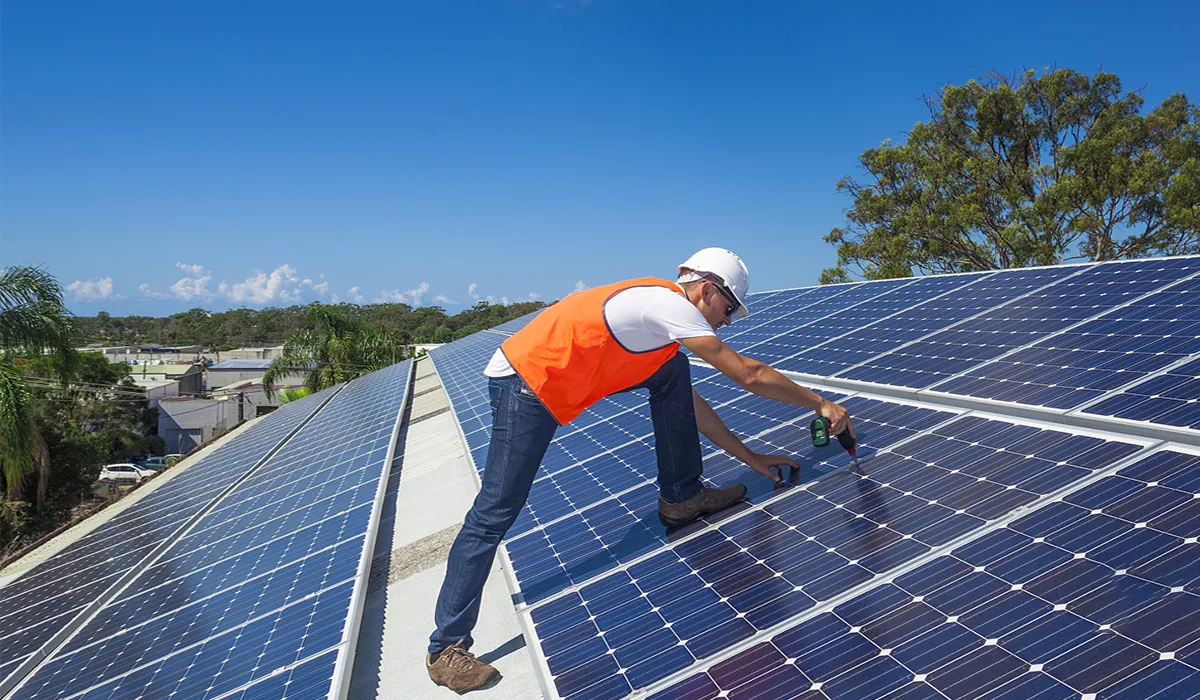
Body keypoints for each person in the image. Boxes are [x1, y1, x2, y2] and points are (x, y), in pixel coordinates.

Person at [425, 248, 854, 692]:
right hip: (527, 384)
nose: (727, 321)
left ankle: (682, 498)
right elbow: (747, 373)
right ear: (707, 290)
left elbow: (690, 405)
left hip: (559, 380)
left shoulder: (661, 335)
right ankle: (445, 648)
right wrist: (821, 403)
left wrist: (751, 458)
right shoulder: (666, 304)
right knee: (497, 509)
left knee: (673, 373)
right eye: (728, 309)